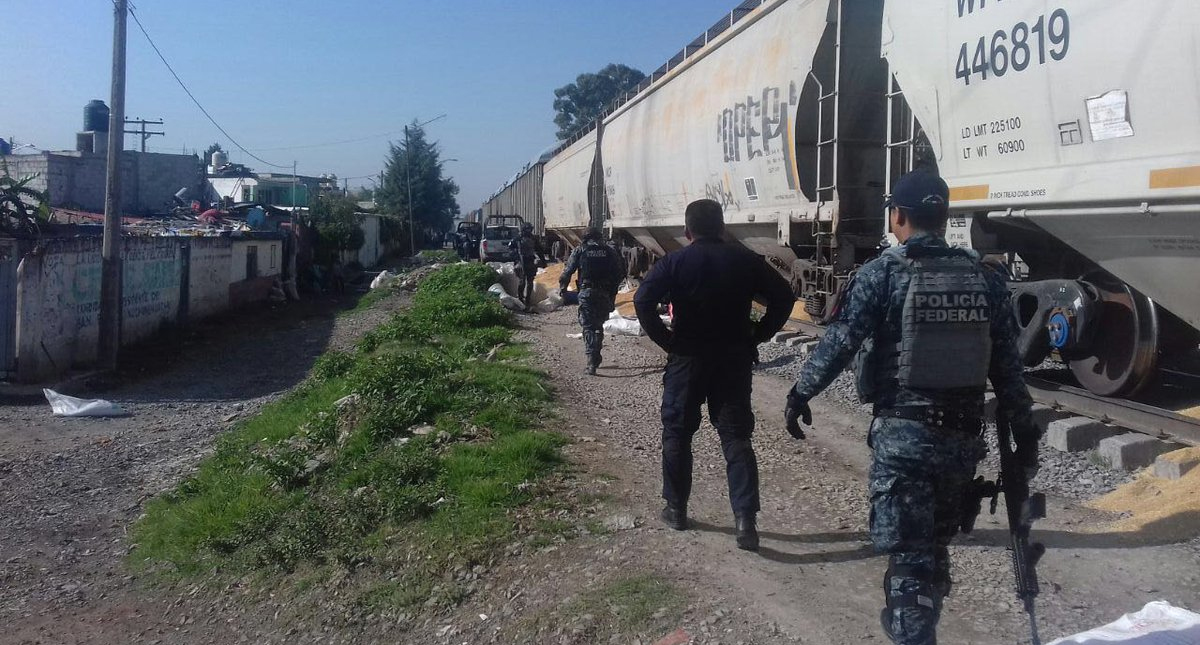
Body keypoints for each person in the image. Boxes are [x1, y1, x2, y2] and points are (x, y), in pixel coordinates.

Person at [782, 171, 1040, 644]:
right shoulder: (985, 279)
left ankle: (912, 631)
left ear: (897, 215)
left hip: (904, 440)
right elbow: (1008, 369)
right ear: (942, 217)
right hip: (962, 444)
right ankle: (919, 625)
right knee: (934, 550)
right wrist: (1026, 435)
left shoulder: (882, 273)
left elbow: (840, 342)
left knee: (908, 559)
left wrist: (800, 394)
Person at [634, 199, 795, 551]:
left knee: (677, 432)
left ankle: (676, 509)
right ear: (722, 228)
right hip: (733, 359)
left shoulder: (674, 262)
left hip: (687, 359)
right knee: (736, 437)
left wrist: (667, 341)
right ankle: (745, 521)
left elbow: (642, 301)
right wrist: (760, 333)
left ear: (688, 231)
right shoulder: (746, 261)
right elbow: (784, 296)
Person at [559, 228, 624, 375]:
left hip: (586, 292)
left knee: (588, 326)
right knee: (598, 325)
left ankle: (591, 361)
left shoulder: (580, 250)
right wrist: (612, 293)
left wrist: (563, 289)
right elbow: (619, 273)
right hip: (603, 293)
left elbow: (568, 271)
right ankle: (596, 354)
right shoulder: (609, 251)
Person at [511, 222, 549, 309]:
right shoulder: (518, 238)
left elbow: (539, 250)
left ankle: (528, 299)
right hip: (520, 262)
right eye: (527, 230)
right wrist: (516, 257)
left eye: (529, 230)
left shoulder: (533, 239)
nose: (528, 232)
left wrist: (543, 262)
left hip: (530, 261)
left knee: (530, 281)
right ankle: (520, 298)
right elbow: (511, 248)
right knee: (522, 281)